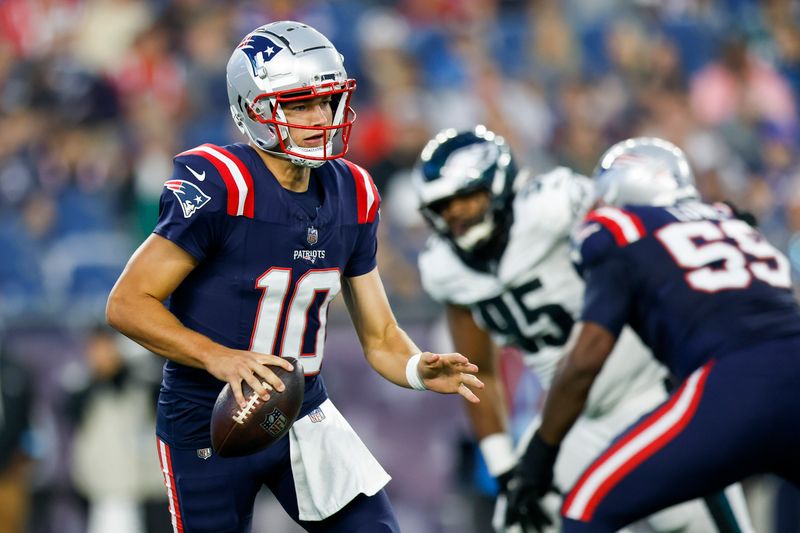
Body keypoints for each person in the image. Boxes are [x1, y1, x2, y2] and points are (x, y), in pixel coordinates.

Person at [106, 21, 483, 533]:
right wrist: (218, 356)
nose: (321, 117)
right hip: (210, 416)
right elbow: (128, 302)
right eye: (301, 104)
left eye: (327, 101)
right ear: (254, 108)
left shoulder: (353, 191)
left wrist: (417, 367)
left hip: (301, 405)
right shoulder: (224, 185)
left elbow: (380, 335)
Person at [413, 127, 753, 532]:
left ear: (498, 184)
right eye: (443, 205)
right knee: (521, 520)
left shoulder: (553, 205)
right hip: (572, 419)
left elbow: (637, 220)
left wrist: (706, 226)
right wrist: (504, 466)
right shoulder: (445, 269)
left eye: (465, 196)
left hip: (653, 393)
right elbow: (477, 371)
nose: (455, 213)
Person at [504, 136, 800, 532]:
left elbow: (587, 357)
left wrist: (540, 453)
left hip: (732, 380)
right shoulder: (729, 220)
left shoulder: (619, 227)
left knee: (586, 507)